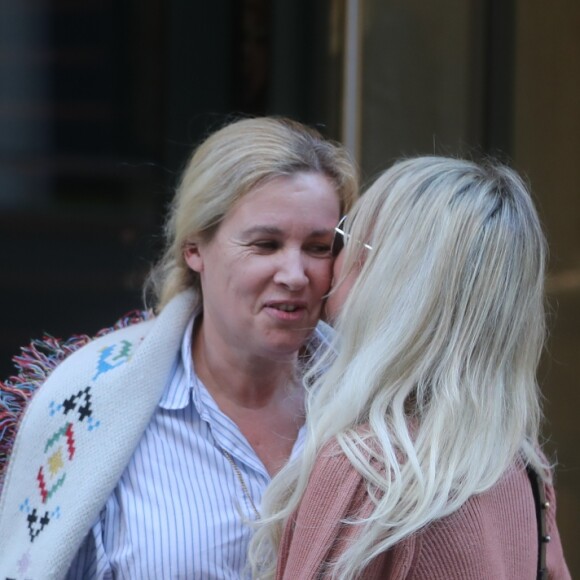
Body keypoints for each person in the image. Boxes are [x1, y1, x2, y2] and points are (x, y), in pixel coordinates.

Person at [0, 116, 358, 579]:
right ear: (195, 249)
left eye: (318, 247)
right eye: (266, 244)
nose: (294, 274)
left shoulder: (372, 400)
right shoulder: (87, 403)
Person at [250, 156, 571, 579]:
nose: (327, 267)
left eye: (342, 238)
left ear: (386, 272)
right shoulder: (522, 466)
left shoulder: (367, 471)